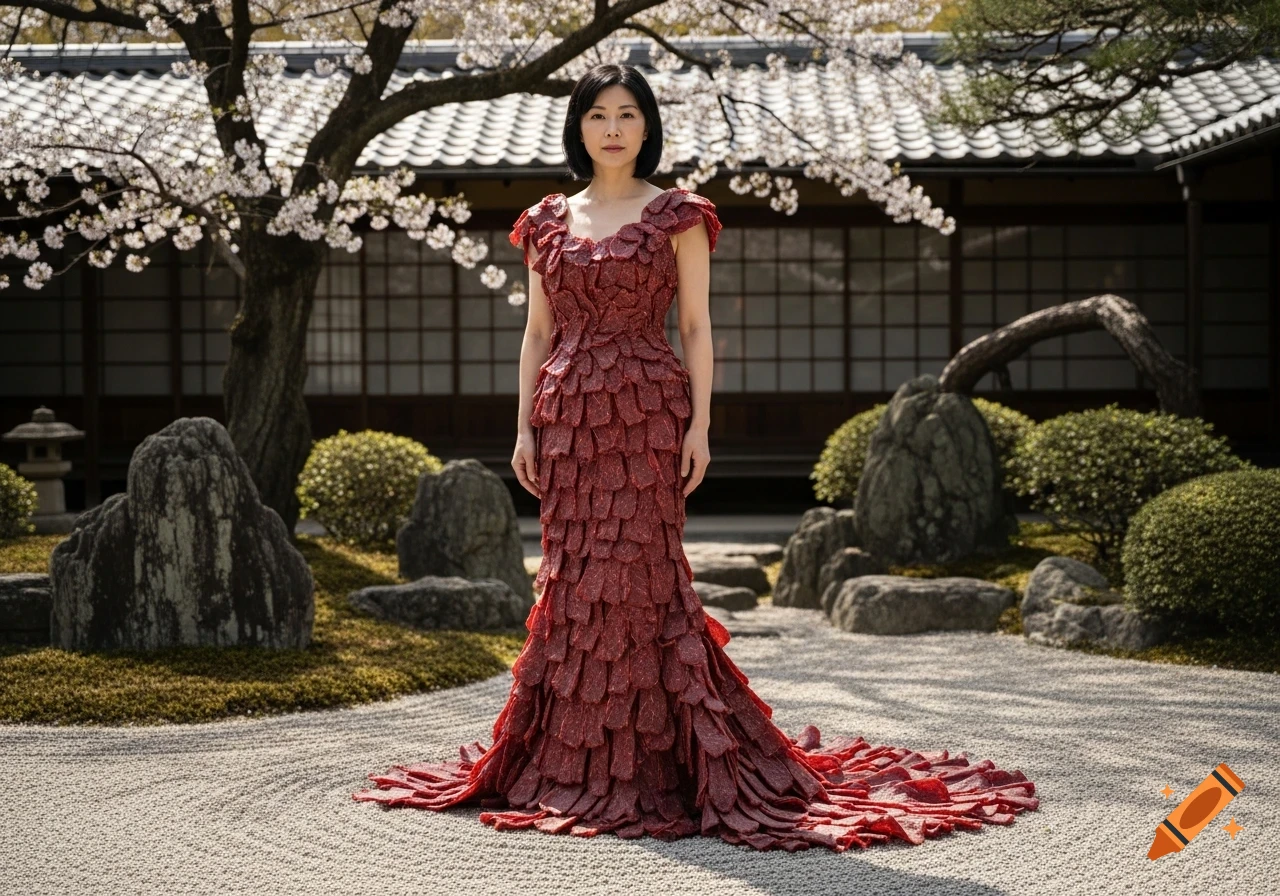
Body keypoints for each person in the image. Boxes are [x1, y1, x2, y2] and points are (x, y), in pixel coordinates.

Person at [352, 63, 1039, 852]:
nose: (612, 127)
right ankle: (566, 754)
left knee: (644, 578)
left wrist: (700, 426)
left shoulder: (677, 215)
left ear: (648, 127)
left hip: (646, 408)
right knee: (574, 575)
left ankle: (657, 760)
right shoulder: (546, 220)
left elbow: (698, 326)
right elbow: (537, 334)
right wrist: (522, 429)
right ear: (579, 127)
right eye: (598, 115)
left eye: (627, 114)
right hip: (568, 414)